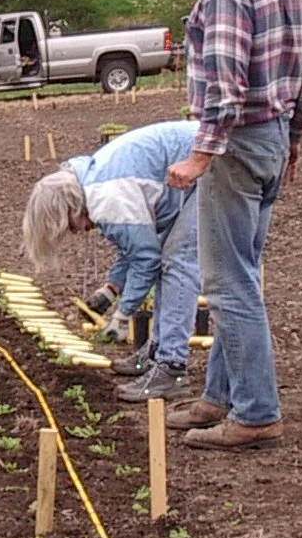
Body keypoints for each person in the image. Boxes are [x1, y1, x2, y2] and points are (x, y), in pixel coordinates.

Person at [161, 0, 302, 453]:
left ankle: (255, 411)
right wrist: (294, 138)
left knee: (228, 284)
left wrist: (202, 154)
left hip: (236, 143)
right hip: (273, 137)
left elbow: (225, 80)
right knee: (242, 274)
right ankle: (218, 396)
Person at [21, 119, 200, 402]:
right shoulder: (93, 180)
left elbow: (145, 259)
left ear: (68, 210)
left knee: (177, 263)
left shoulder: (106, 195)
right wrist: (111, 289)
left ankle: (171, 369)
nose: (78, 232)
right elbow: (132, 247)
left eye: (70, 227)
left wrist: (121, 316)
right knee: (169, 260)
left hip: (206, 166)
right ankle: (156, 353)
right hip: (193, 160)